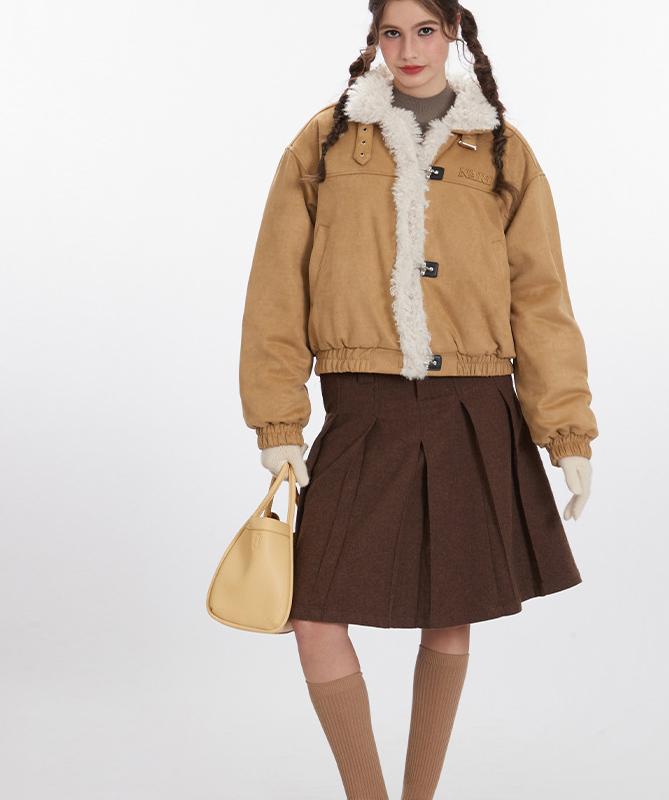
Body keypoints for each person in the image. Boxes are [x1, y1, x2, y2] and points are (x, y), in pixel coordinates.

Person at [239, 1, 599, 796]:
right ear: (374, 38)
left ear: (453, 34)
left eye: (425, 30)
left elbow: (542, 297)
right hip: (361, 405)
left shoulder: (502, 150)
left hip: (471, 403)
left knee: (451, 608)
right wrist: (278, 420)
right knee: (313, 614)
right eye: (392, 32)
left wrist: (567, 432)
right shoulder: (326, 140)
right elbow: (276, 285)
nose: (408, 48)